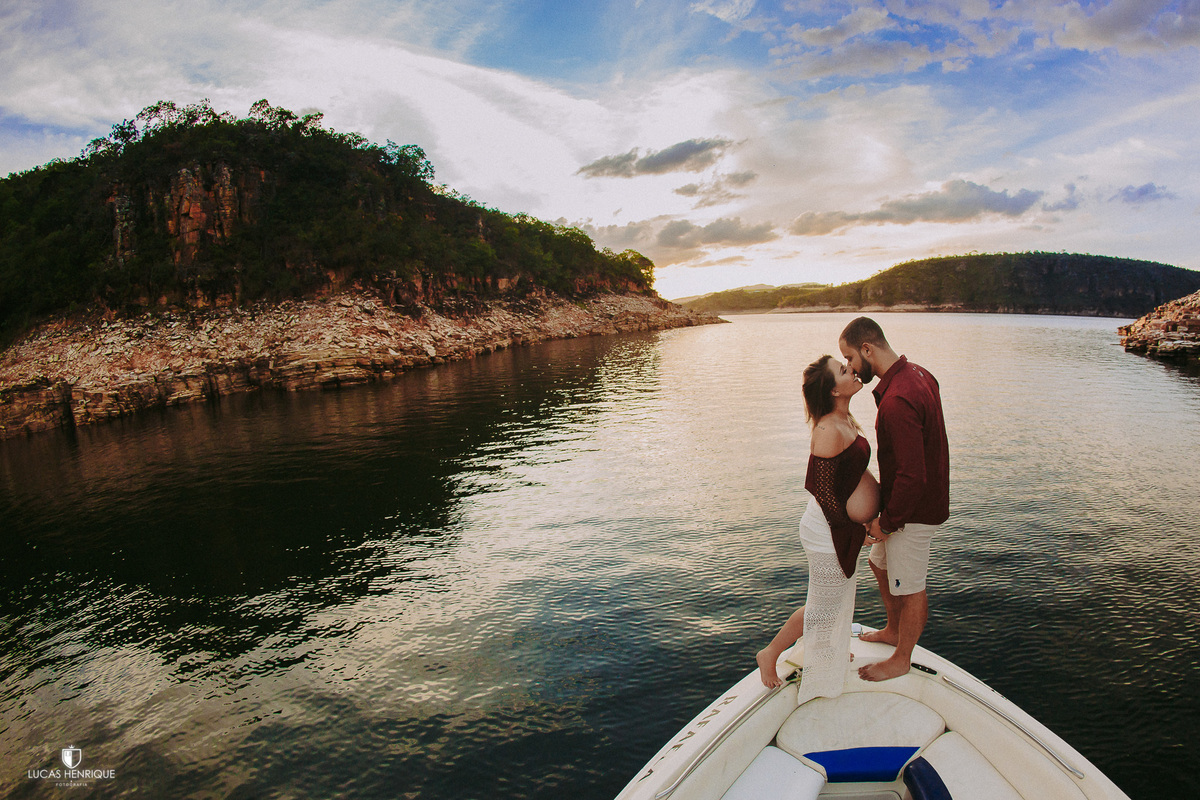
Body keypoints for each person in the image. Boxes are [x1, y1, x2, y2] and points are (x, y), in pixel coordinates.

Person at [756, 355, 880, 702]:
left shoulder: (844, 419)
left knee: (835, 600)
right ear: (834, 390)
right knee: (822, 605)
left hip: (838, 527)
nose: (852, 369)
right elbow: (824, 495)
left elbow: (849, 477)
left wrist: (867, 517)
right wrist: (856, 532)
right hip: (826, 530)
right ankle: (770, 652)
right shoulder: (827, 430)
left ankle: (827, 647)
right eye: (843, 370)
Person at [838, 317, 949, 682]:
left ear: (867, 349)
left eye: (850, 357)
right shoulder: (919, 374)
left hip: (913, 513)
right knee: (879, 564)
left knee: (911, 587)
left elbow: (912, 476)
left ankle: (902, 658)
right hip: (906, 506)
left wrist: (887, 523)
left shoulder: (898, 399)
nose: (850, 366)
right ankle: (893, 629)